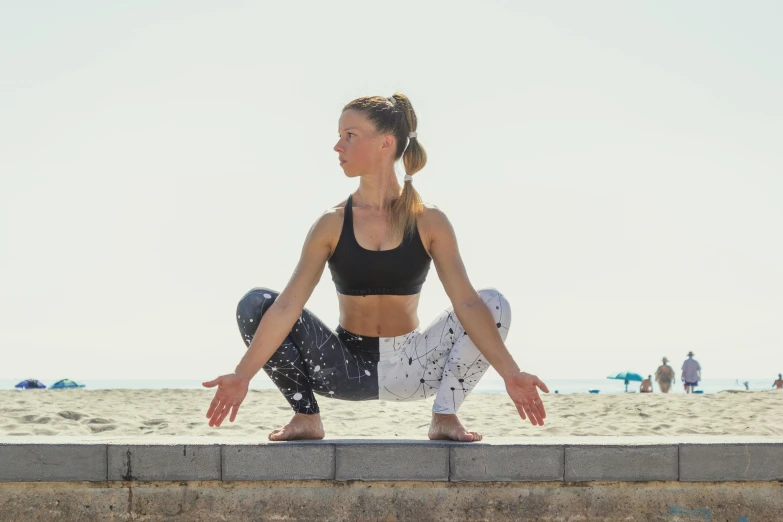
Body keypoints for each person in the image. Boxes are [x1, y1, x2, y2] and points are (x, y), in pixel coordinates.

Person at [202, 93, 549, 442]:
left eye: (350, 135)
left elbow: (468, 304)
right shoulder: (332, 223)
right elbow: (287, 306)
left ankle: (445, 416)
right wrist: (242, 374)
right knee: (256, 303)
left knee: (492, 302)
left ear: (386, 143)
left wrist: (511, 373)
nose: (338, 146)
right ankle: (306, 416)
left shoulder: (429, 221)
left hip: (415, 366)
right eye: (340, 135)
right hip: (344, 367)